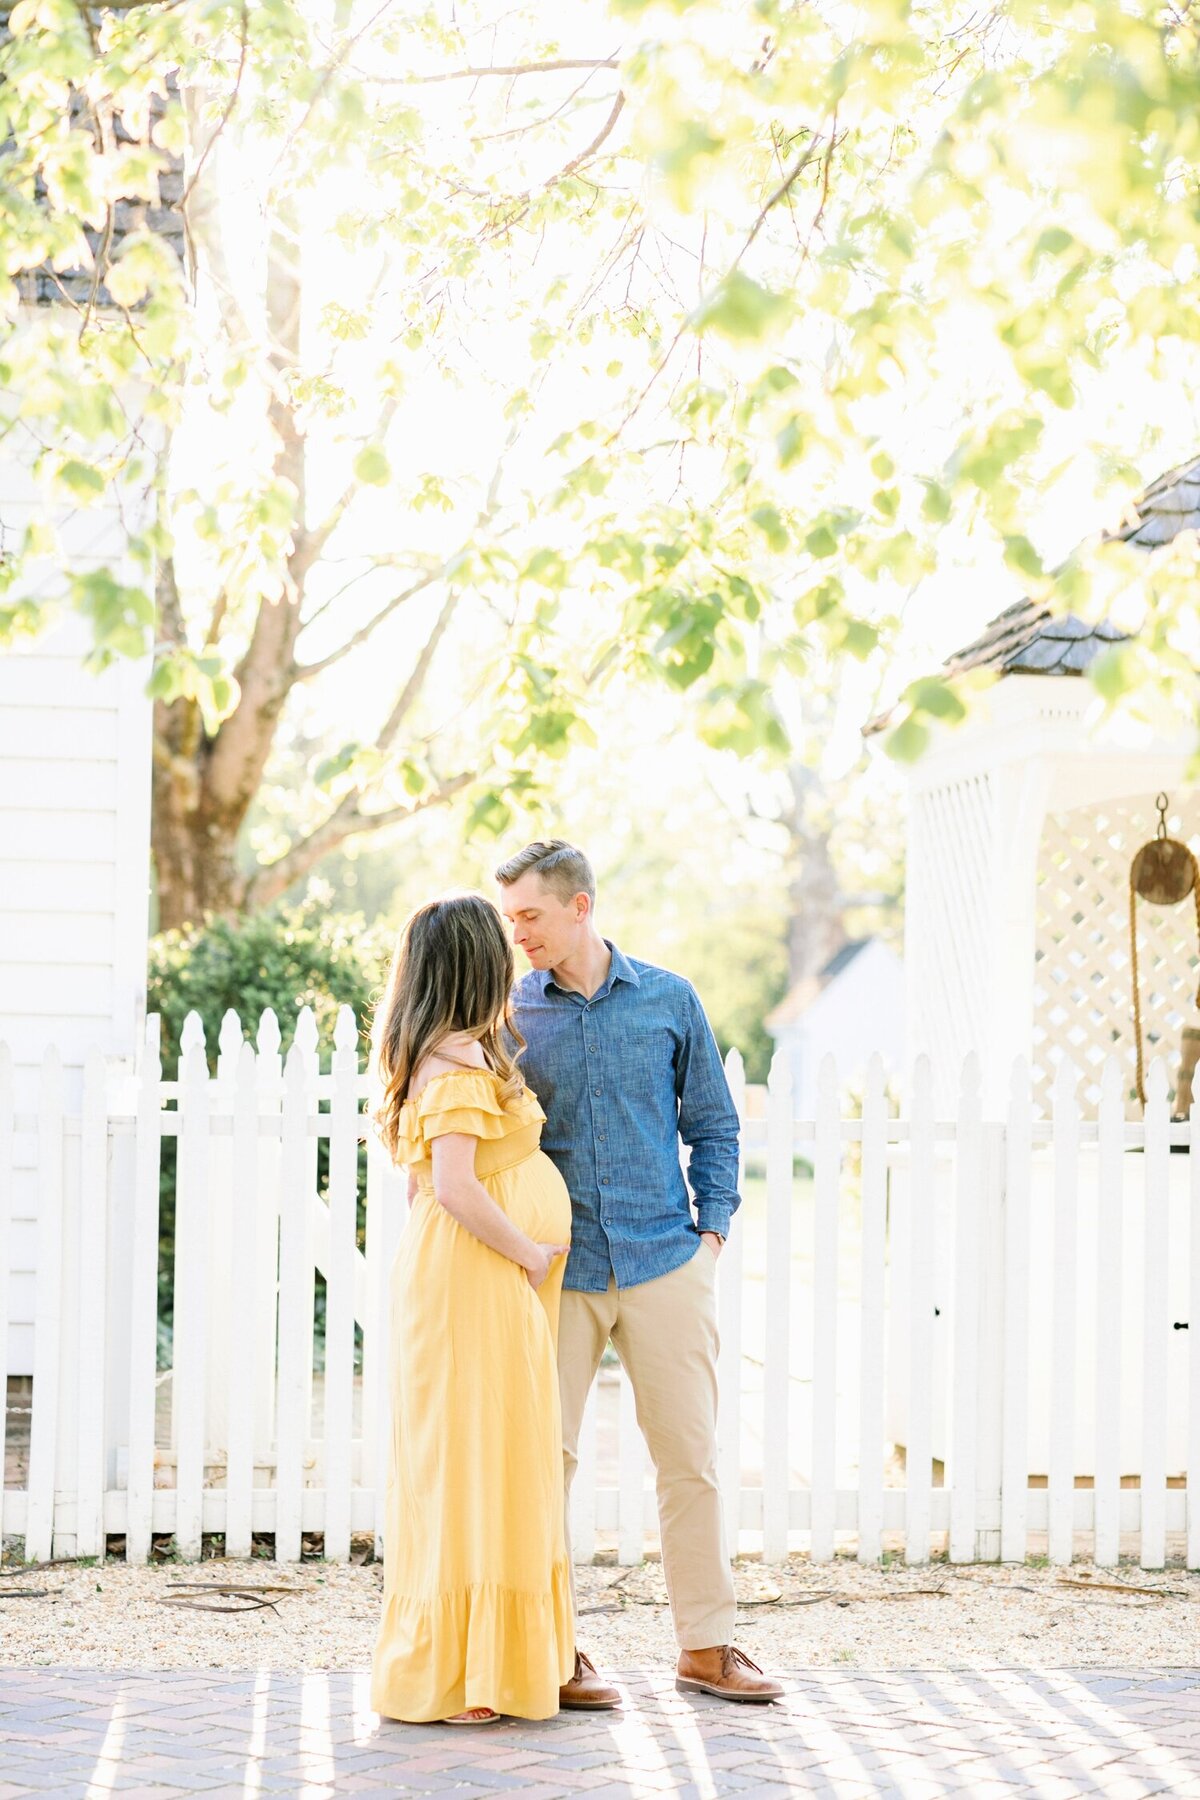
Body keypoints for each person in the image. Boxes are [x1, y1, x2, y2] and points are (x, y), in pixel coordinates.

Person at [497, 840, 784, 1706]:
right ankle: (549, 1649)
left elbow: (716, 1125)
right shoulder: (508, 1010)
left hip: (667, 1260)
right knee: (544, 1462)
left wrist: (714, 1235)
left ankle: (706, 1647)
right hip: (560, 1270)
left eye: (531, 916)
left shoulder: (669, 999)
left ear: (581, 906)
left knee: (689, 1461)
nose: (519, 935)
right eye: (509, 919)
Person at [369, 894, 574, 1724]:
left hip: (471, 1277)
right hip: (479, 1278)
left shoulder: (452, 1054)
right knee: (472, 1463)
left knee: (490, 1456)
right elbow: (449, 1187)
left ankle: (486, 1659)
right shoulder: (453, 1070)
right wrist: (526, 1251)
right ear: (477, 966)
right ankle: (463, 1670)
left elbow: (421, 1185)